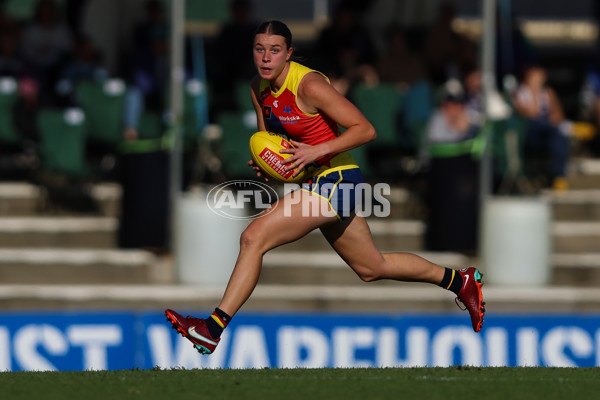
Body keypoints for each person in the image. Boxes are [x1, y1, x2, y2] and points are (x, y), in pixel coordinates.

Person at [165, 21, 485, 355]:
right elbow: (272, 141)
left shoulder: (309, 85)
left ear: (289, 54)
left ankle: (211, 329)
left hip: (338, 178)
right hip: (316, 181)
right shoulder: (256, 87)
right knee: (372, 268)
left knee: (252, 237)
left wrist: (315, 151)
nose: (265, 57)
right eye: (259, 48)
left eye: (275, 50)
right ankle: (460, 281)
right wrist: (265, 164)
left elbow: (365, 129)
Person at [512, 64, 570, 190]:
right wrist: (534, 89)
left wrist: (554, 116)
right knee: (545, 127)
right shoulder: (519, 92)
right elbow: (531, 113)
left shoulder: (549, 93)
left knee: (559, 133)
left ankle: (559, 176)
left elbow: (559, 116)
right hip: (528, 132)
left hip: (547, 131)